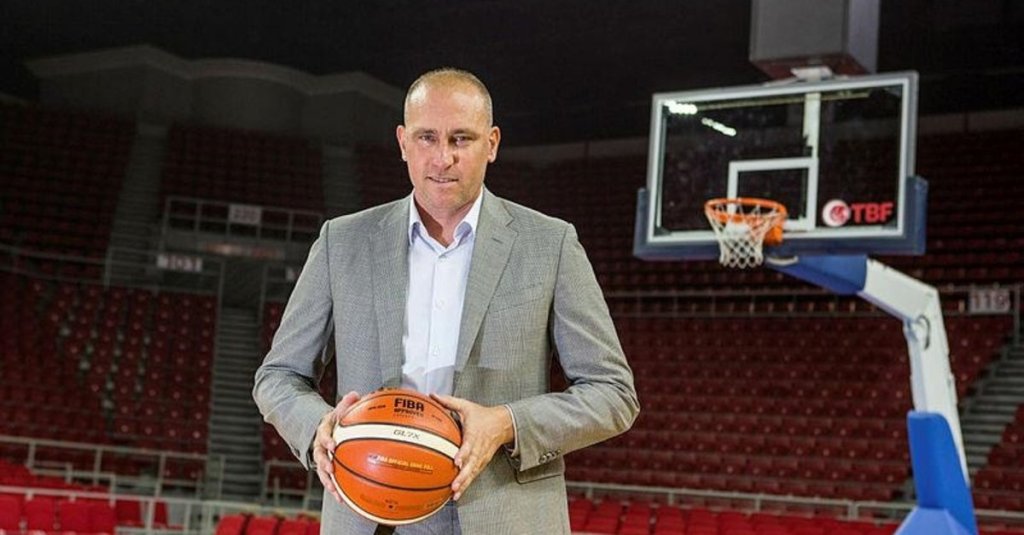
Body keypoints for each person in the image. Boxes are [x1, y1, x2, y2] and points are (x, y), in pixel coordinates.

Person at [253, 67, 639, 535]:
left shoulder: (550, 245)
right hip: (370, 513)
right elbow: (278, 376)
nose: (442, 157)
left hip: (503, 515)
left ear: (491, 144)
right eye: (427, 138)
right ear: (402, 142)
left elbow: (613, 394)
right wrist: (321, 427)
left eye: (461, 139)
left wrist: (506, 423)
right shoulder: (343, 241)